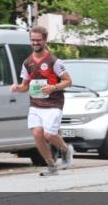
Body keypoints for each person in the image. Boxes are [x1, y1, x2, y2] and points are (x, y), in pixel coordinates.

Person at [10, 25, 74, 176]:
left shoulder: (54, 62)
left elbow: (68, 81)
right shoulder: (27, 63)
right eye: (33, 40)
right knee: (38, 133)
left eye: (38, 40)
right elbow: (25, 86)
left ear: (45, 40)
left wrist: (53, 87)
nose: (35, 43)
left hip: (53, 104)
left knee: (49, 135)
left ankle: (65, 149)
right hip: (36, 104)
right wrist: (17, 88)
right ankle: (51, 166)